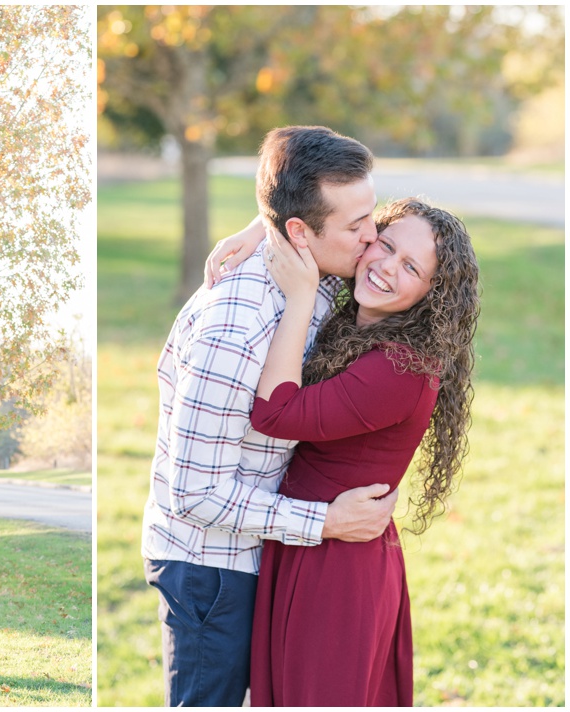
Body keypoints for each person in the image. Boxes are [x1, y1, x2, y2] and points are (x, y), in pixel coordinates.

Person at [143, 125, 401, 707]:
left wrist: (257, 223)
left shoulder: (320, 269)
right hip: (209, 567)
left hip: (263, 547)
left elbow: (290, 161)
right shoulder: (236, 328)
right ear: (300, 233)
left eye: (372, 216)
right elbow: (194, 493)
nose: (373, 238)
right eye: (357, 227)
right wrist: (326, 522)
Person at [245, 198, 479, 705]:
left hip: (336, 570)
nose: (386, 267)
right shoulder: (366, 327)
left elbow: (274, 415)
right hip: (313, 541)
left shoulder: (400, 370)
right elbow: (322, 203)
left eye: (411, 267)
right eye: (386, 245)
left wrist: (302, 294)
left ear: (433, 295)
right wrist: (254, 232)